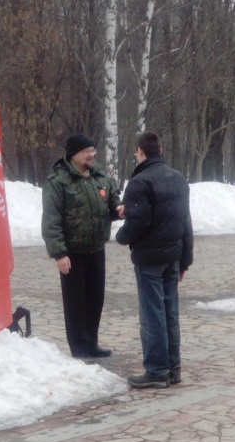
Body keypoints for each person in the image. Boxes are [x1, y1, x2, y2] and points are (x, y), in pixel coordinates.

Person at [116, 132, 194, 388]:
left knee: (152, 315)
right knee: (170, 312)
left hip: (150, 258)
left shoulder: (139, 182)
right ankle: (173, 368)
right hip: (173, 255)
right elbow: (185, 222)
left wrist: (120, 236)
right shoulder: (178, 178)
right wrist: (186, 259)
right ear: (160, 149)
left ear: (140, 152)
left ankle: (157, 370)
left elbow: (139, 221)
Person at [41, 134, 121, 359]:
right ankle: (78, 348)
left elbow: (113, 203)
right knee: (75, 302)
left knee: (95, 299)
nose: (92, 155)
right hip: (72, 253)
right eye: (87, 151)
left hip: (96, 249)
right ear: (74, 154)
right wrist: (59, 253)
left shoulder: (100, 177)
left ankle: (91, 343)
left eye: (93, 151)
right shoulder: (58, 182)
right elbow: (51, 220)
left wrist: (121, 209)